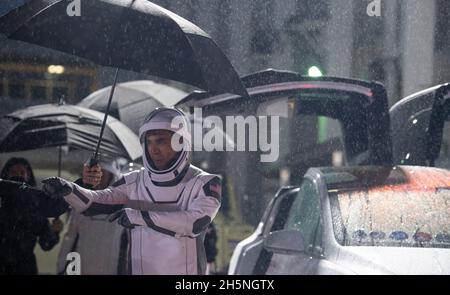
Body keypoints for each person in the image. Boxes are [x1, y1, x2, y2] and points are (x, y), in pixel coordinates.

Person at [43, 107, 222, 275]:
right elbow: (95, 202)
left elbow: (194, 223)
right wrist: (69, 189)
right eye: (148, 142)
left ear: (181, 142)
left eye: (161, 141)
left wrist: (139, 217)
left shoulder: (205, 182)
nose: (153, 149)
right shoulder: (133, 180)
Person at [56, 159, 127, 275]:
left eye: (104, 172)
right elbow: (70, 238)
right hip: (83, 267)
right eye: (97, 172)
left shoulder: (124, 205)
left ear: (111, 175)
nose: (100, 176)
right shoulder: (80, 203)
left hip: (110, 269)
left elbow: (128, 246)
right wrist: (62, 268)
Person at [0, 157, 66, 275]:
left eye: (21, 173)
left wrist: (55, 231)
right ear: (6, 175)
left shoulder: (36, 203)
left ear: (28, 176)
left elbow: (46, 244)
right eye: (14, 173)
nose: (17, 176)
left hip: (25, 267)